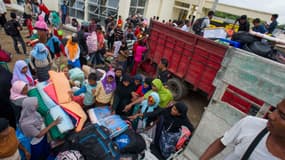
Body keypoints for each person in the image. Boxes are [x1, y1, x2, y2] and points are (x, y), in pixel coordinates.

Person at [200, 99, 285, 160]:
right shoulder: (251, 123)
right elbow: (222, 142)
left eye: (282, 116)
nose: (271, 116)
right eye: (276, 109)